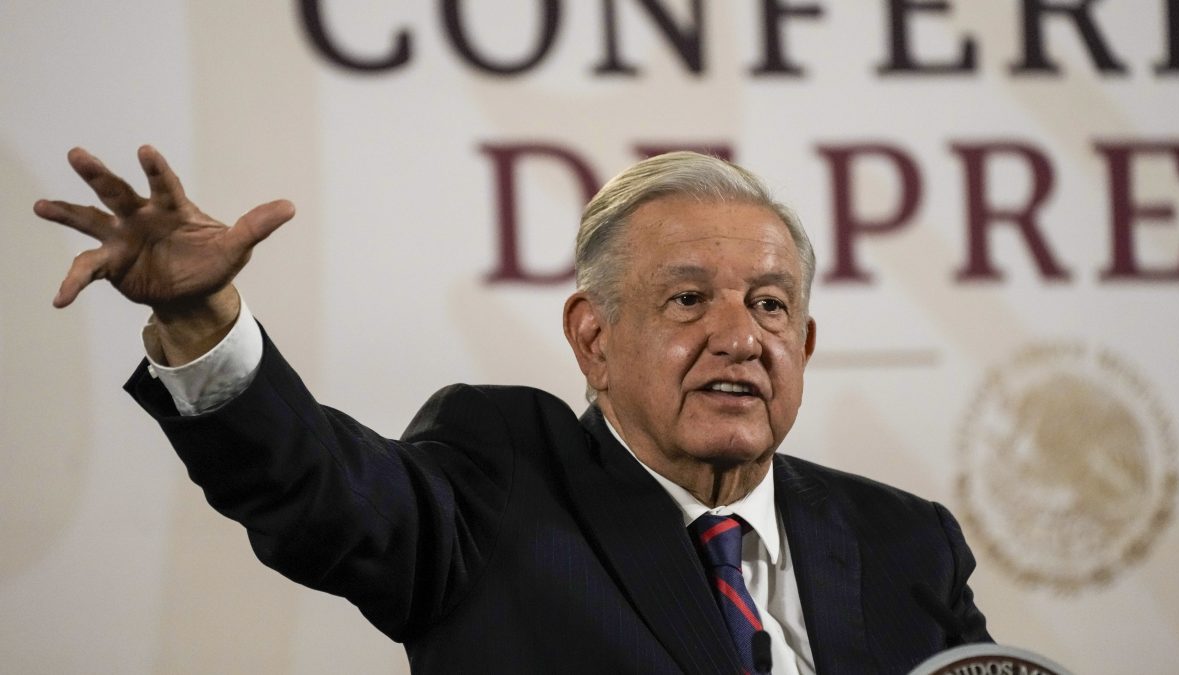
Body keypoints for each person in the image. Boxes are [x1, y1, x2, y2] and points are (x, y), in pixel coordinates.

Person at [35, 146, 990, 674]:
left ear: (806, 348)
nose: (740, 336)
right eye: (688, 299)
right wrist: (202, 319)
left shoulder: (907, 541)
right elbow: (324, 493)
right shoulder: (502, 480)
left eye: (771, 304)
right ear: (594, 340)